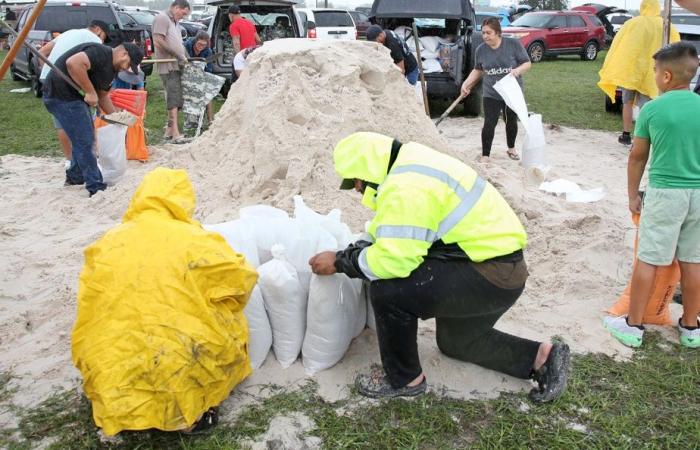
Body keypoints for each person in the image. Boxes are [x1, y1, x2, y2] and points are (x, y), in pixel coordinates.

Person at [309, 132, 571, 401]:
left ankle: (405, 380)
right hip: (498, 268)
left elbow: (393, 261)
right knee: (456, 342)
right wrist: (356, 249)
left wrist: (341, 262)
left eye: (356, 181)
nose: (356, 189)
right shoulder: (411, 165)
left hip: (490, 274)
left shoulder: (405, 188)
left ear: (367, 170)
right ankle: (542, 357)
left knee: (388, 291)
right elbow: (390, 231)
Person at [72, 168, 258, 436]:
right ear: (183, 200)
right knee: (225, 325)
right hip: (179, 359)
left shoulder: (108, 241)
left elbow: (89, 299)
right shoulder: (199, 241)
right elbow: (242, 281)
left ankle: (120, 404)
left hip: (112, 365)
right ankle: (192, 417)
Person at [604, 42, 700, 349]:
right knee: (693, 260)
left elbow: (637, 157)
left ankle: (633, 324)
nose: (655, 77)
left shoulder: (652, 109)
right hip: (698, 195)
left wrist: (633, 195)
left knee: (649, 258)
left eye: (656, 72)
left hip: (665, 193)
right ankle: (690, 326)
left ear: (668, 76)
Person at [42, 42, 143, 196]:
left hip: (72, 98)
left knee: (82, 137)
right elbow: (74, 63)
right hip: (60, 95)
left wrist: (118, 118)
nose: (125, 69)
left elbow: (102, 96)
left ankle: (75, 177)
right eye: (128, 64)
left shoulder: (111, 70)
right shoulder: (100, 53)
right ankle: (95, 186)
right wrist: (89, 91)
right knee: (86, 140)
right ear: (124, 54)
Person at [598, 0, 680, 146]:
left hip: (631, 71)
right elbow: (675, 45)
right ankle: (640, 138)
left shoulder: (632, 23)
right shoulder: (665, 25)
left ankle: (625, 134)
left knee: (627, 103)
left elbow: (619, 43)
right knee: (646, 107)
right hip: (651, 72)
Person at [38, 20, 110, 167]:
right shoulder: (95, 40)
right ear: (98, 30)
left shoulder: (68, 33)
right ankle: (91, 157)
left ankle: (69, 160)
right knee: (86, 120)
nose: (103, 40)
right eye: (104, 36)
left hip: (49, 78)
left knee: (61, 123)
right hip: (68, 80)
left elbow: (42, 52)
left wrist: (46, 72)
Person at [460, 17, 531, 161]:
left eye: (488, 33)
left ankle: (511, 149)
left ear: (498, 32)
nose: (485, 36)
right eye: (483, 33)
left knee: (510, 120)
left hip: (511, 91)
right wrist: (466, 84)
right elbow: (478, 70)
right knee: (489, 122)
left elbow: (527, 63)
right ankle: (485, 155)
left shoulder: (513, 44)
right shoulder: (481, 50)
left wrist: (517, 71)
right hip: (491, 92)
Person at [153, 0, 191, 144]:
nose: (184, 16)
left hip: (176, 65)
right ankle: (175, 133)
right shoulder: (162, 18)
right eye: (183, 13)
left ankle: (169, 131)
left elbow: (178, 44)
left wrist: (185, 56)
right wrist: (177, 55)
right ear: (176, 7)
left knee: (176, 97)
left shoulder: (175, 22)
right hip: (168, 66)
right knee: (173, 99)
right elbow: (158, 41)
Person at [184, 30, 214, 123]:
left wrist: (203, 77)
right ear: (195, 41)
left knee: (208, 93)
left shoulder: (208, 51)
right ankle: (190, 118)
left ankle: (210, 120)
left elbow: (209, 68)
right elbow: (181, 59)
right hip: (185, 71)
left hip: (200, 73)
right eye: (199, 44)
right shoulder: (186, 45)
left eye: (204, 45)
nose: (201, 47)